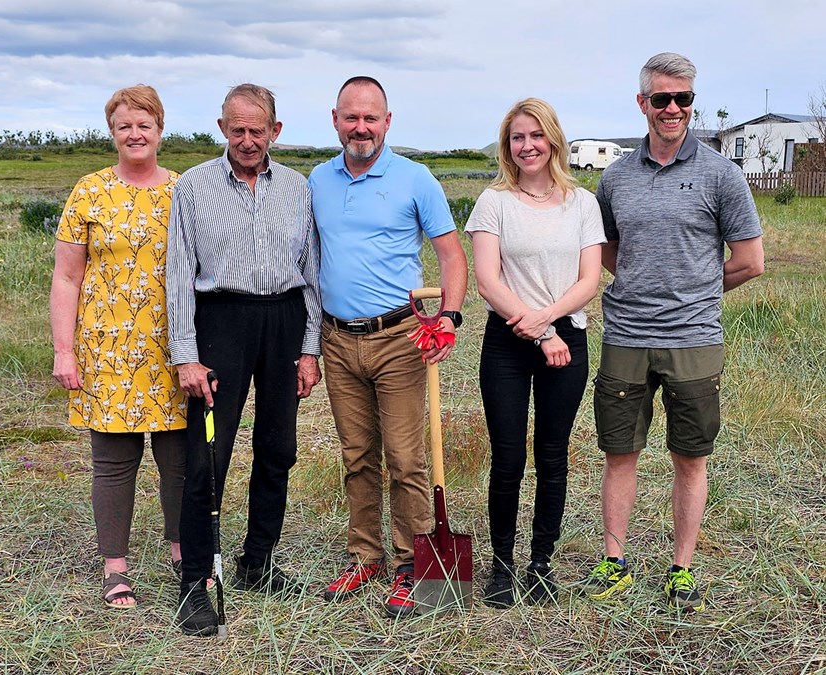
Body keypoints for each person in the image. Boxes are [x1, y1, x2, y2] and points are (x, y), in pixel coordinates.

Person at [579, 52, 765, 611]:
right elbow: (607, 249)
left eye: (684, 99)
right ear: (643, 104)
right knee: (619, 451)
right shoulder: (615, 177)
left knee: (690, 456)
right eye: (662, 99)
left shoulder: (721, 174)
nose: (674, 109)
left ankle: (681, 568)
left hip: (693, 340)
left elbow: (751, 260)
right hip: (626, 336)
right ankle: (615, 562)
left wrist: (696, 291)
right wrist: (639, 283)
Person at [309, 76, 468, 618]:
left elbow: (451, 256)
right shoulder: (317, 180)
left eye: (370, 118)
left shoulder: (416, 179)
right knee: (357, 457)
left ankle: (411, 564)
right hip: (337, 339)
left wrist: (447, 317)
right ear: (335, 119)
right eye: (351, 117)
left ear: (387, 121)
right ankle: (364, 556)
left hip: (400, 339)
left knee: (405, 459)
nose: (360, 128)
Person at [167, 83, 322, 636]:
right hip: (221, 323)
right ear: (222, 128)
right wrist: (186, 354)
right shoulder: (192, 187)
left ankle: (258, 560)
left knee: (278, 446)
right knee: (210, 451)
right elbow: (178, 278)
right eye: (238, 129)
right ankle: (194, 580)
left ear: (275, 132)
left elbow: (310, 272)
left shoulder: (298, 189)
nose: (249, 140)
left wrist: (309, 348)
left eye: (259, 130)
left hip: (281, 320)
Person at [50, 84, 188, 609]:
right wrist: (65, 351)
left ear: (159, 130)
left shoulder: (183, 190)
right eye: (125, 125)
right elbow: (66, 278)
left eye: (144, 124)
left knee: (177, 459)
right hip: (106, 351)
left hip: (172, 348)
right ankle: (116, 569)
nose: (135, 133)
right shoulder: (88, 191)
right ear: (112, 132)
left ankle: (182, 555)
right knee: (113, 460)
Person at [465, 98, 605, 608]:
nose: (527, 146)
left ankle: (539, 563)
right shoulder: (493, 202)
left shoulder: (582, 204)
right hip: (508, 341)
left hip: (568, 338)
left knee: (552, 457)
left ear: (553, 140)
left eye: (536, 136)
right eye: (517, 138)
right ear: (508, 146)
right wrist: (539, 331)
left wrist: (550, 324)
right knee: (507, 459)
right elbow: (487, 280)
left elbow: (590, 279)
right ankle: (502, 565)